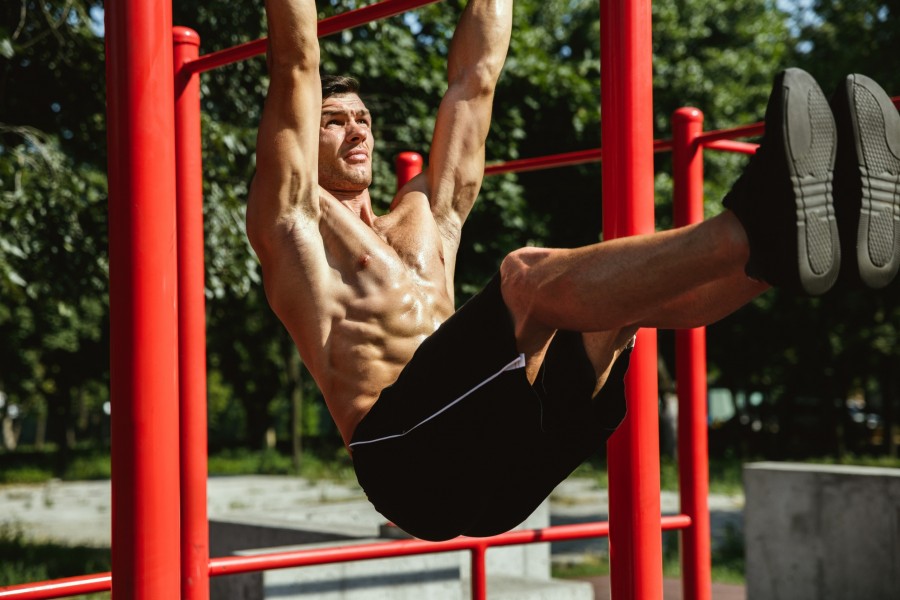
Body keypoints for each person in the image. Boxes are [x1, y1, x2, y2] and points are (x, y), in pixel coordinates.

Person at [247, 0, 900, 541]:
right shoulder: (293, 224)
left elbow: (474, 79)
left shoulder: (428, 219)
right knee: (526, 282)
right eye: (334, 122)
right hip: (408, 463)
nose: (357, 132)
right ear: (304, 138)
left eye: (363, 119)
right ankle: (754, 224)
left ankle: (783, 258)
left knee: (613, 305)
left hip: (503, 458)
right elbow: (296, 59)